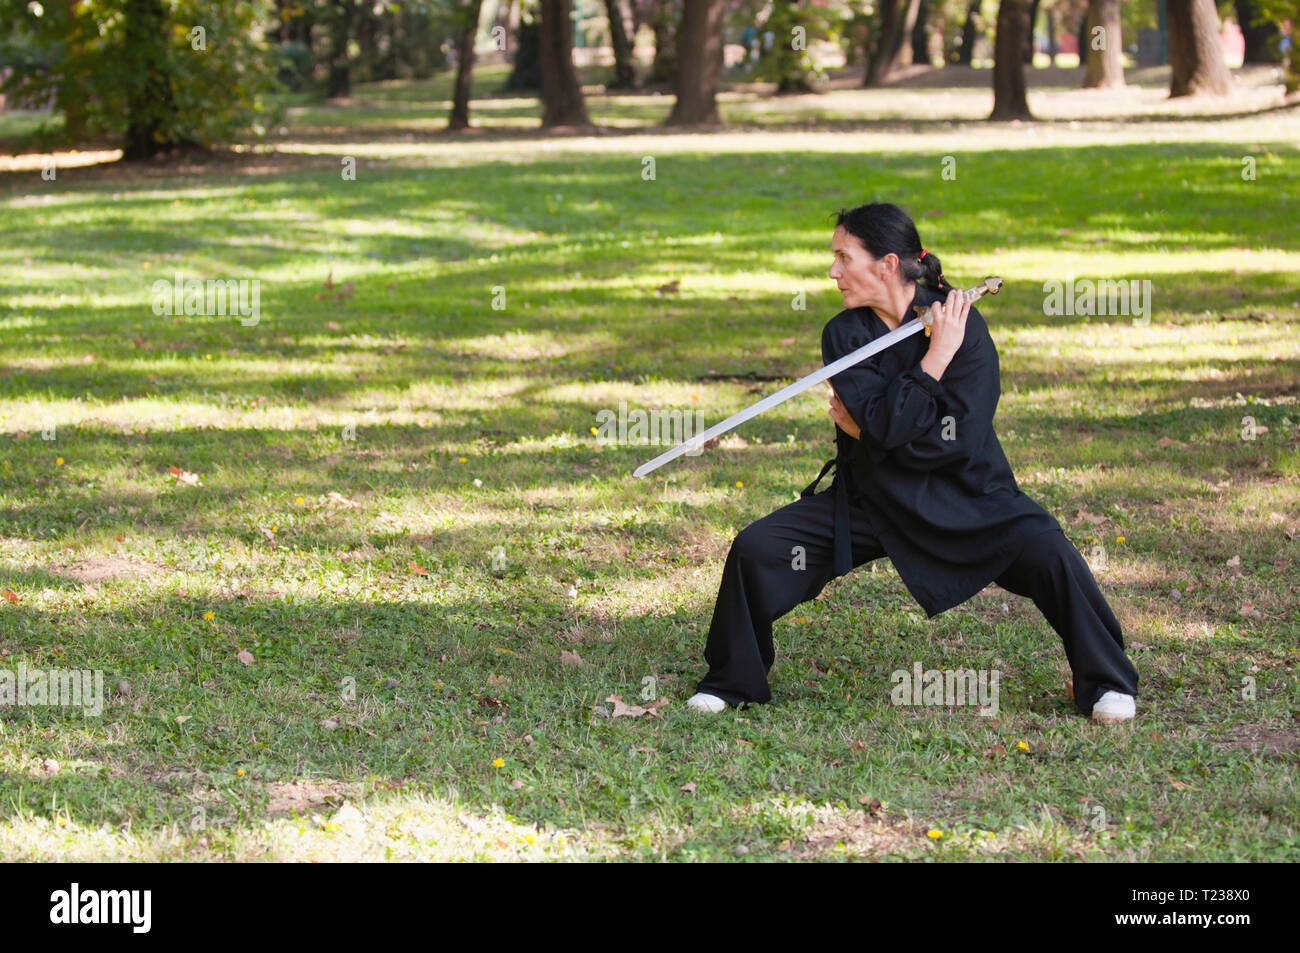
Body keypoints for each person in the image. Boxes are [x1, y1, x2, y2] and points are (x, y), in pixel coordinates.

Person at [686, 202, 1139, 723]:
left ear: (886, 264)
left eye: (842, 257)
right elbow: (884, 426)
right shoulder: (845, 335)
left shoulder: (959, 323)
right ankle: (731, 680)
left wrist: (909, 389)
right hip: (872, 496)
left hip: (965, 492)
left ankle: (1107, 682)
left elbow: (958, 440)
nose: (833, 271)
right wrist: (925, 372)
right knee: (756, 549)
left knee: (1048, 550)